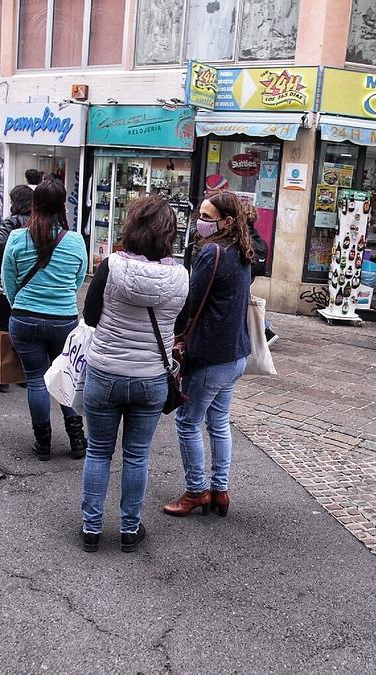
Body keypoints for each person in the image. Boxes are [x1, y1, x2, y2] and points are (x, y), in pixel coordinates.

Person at [79, 195, 189, 553]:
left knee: (98, 452)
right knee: (137, 455)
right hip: (151, 378)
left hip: (106, 372)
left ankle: (91, 529)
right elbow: (181, 326)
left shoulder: (111, 266)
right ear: (169, 234)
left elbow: (91, 316)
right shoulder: (180, 276)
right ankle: (129, 529)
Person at [163, 191, 254, 519]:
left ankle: (196, 491)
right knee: (218, 422)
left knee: (188, 422)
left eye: (206, 217)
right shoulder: (242, 250)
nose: (199, 222)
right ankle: (220, 490)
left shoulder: (212, 251)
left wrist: (175, 334)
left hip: (211, 356)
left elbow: (190, 300)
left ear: (226, 222)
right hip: (236, 354)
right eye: (199, 215)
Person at [2, 180, 89, 460]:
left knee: (36, 380)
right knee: (66, 376)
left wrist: (20, 305)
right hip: (63, 320)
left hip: (25, 318)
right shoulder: (75, 241)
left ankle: (43, 444)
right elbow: (77, 281)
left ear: (34, 205)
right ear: (64, 206)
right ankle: (77, 440)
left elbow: (8, 281)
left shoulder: (16, 238)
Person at [0, 185, 33, 393]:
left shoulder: (11, 222)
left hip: (4, 284)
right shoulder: (38, 223)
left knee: (0, 329)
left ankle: (0, 376)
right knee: (23, 329)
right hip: (29, 284)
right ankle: (23, 375)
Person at [241, 201, 277, 345]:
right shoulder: (253, 233)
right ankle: (265, 328)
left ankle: (265, 330)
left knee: (242, 302)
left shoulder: (241, 234)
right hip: (251, 274)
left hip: (243, 272)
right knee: (243, 301)